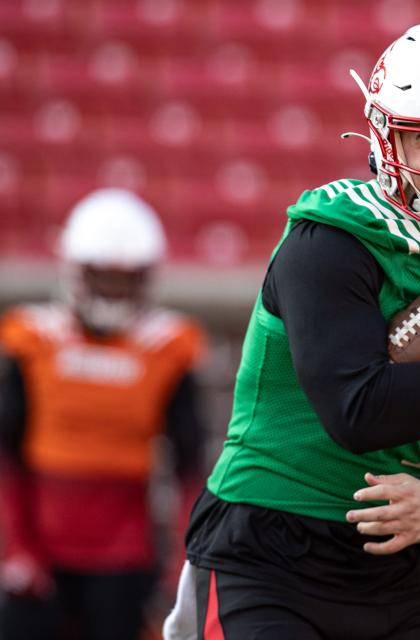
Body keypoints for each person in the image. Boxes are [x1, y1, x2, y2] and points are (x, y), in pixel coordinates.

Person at [177, 22, 420, 640]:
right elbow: (358, 412)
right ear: (389, 140)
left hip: (394, 566)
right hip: (268, 549)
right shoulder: (333, 237)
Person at [0, 188, 208, 640]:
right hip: (41, 546)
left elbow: (189, 466)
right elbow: (7, 456)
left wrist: (179, 565)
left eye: (125, 279)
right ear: (76, 272)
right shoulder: (32, 339)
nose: (113, 292)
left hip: (123, 554)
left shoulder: (167, 346)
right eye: (103, 278)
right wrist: (15, 546)